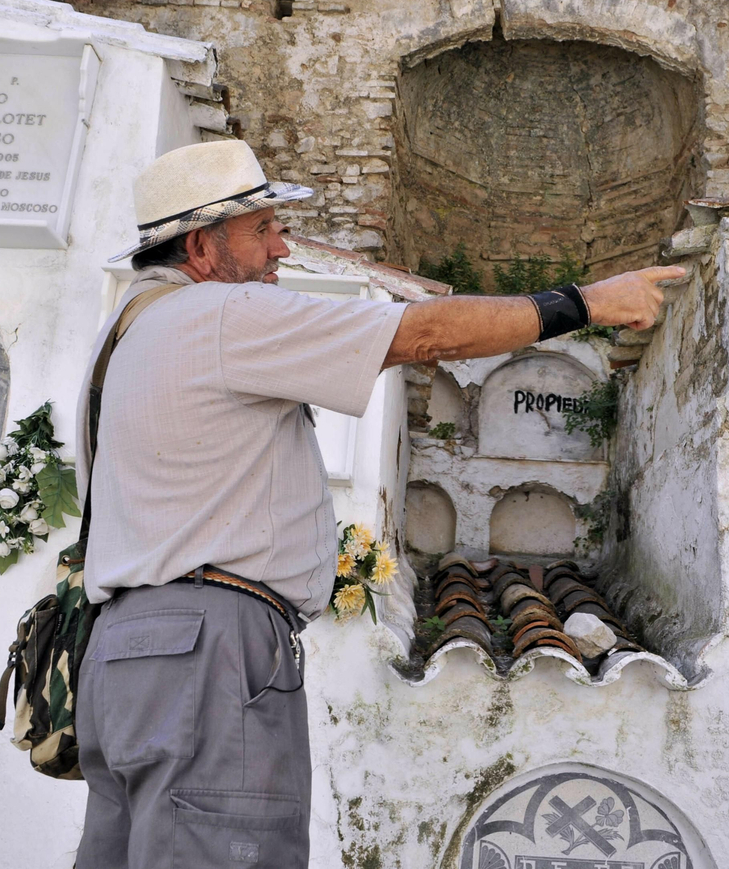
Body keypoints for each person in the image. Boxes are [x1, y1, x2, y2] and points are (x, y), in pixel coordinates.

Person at [73, 140, 683, 869]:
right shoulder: (222, 312)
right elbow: (421, 331)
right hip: (212, 646)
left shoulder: (125, 334)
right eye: (263, 228)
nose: (281, 245)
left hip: (122, 652)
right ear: (203, 246)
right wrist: (585, 303)